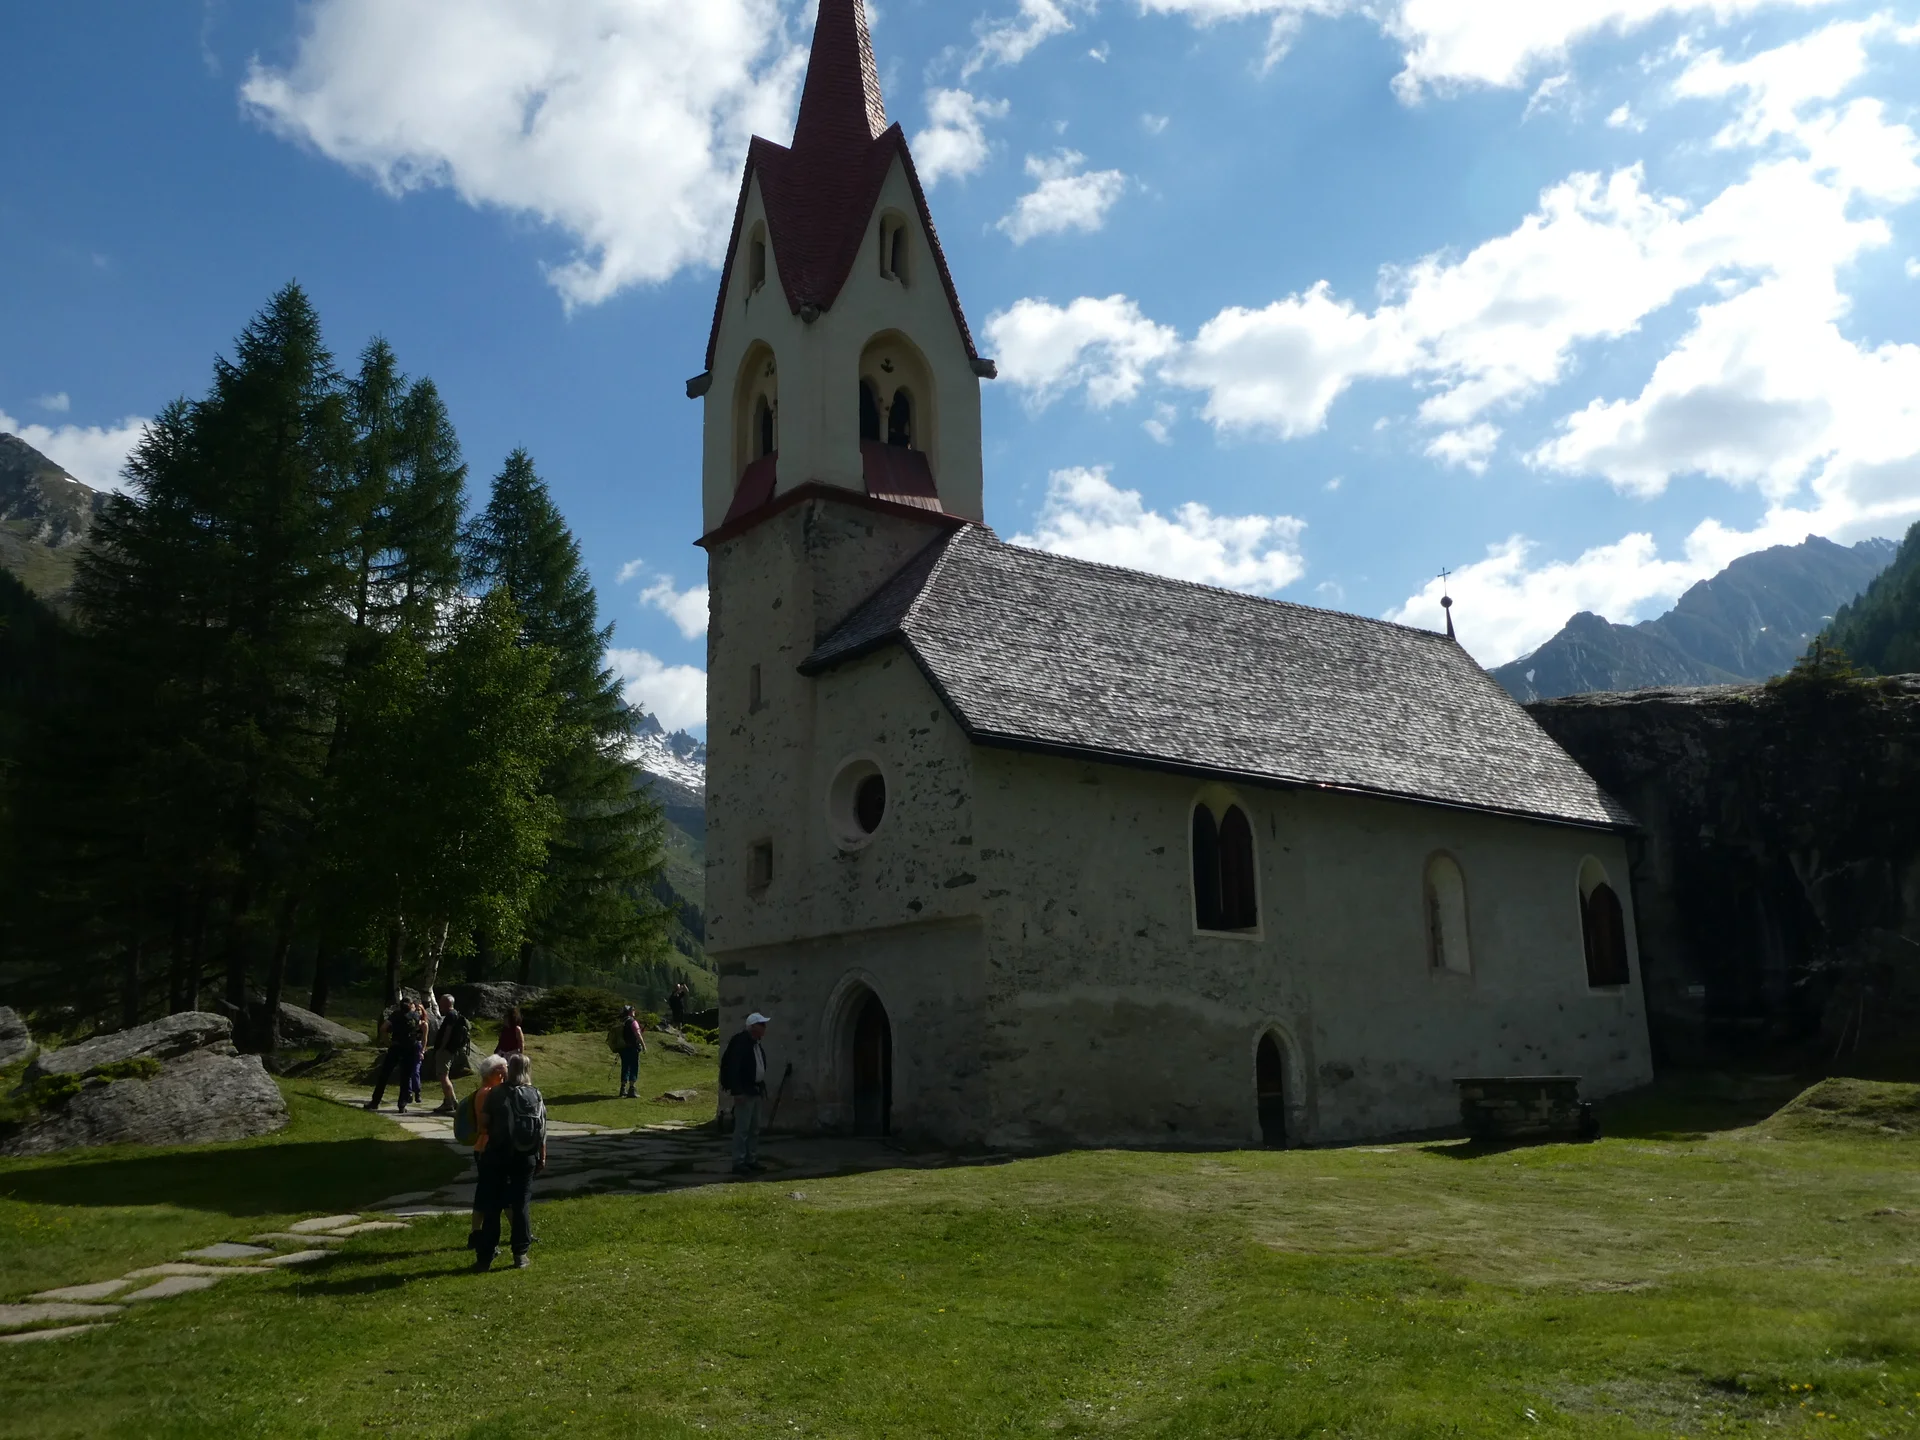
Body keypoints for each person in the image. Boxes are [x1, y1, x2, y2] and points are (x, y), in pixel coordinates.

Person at [473, 1052, 546, 1272]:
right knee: (521, 1204)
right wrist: (542, 1155)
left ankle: (485, 1256)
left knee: (493, 1205)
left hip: (497, 1154)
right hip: (526, 1156)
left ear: (509, 1070)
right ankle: (520, 1254)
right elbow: (542, 1127)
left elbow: (483, 1125)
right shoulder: (535, 1094)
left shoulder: (496, 1093)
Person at [456, 1053, 509, 1250]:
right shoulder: (490, 1093)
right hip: (490, 1147)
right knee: (500, 1191)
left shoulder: (482, 1091)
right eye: (504, 1070)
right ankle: (517, 1231)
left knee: (487, 1191)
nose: (506, 1074)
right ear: (496, 1072)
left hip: (482, 1147)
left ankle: (476, 1232)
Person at [720, 1012, 771, 1176]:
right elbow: (734, 1067)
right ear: (753, 1026)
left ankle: (751, 1159)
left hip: (755, 1090)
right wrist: (737, 1091)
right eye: (762, 1024)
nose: (765, 1028)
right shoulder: (741, 1042)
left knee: (754, 1128)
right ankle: (739, 1161)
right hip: (745, 1091)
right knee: (743, 1128)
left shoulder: (755, 1043)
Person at [364, 995, 425, 1112]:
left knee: (384, 1075)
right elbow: (421, 1029)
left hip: (396, 1047)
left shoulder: (395, 1015)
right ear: (411, 1005)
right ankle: (402, 1104)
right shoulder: (416, 1016)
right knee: (405, 1077)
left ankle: (375, 1101)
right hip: (410, 1049)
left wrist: (387, 1042)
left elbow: (383, 1028)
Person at [429, 993, 475, 1116]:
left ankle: (451, 1103)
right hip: (451, 1050)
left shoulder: (450, 1015)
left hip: (446, 1051)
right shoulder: (455, 1014)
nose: (439, 1004)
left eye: (441, 1002)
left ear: (446, 1003)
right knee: (444, 1075)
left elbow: (447, 1032)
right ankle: (450, 1102)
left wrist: (442, 1047)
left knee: (443, 1076)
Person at [616, 1005, 647, 1099]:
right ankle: (632, 1089)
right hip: (633, 1048)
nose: (634, 1011)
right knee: (634, 1067)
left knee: (625, 1067)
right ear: (629, 1012)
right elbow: (637, 1034)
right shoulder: (633, 1022)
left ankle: (623, 1089)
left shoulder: (623, 1022)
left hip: (623, 1048)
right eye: (632, 1009)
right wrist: (644, 1045)